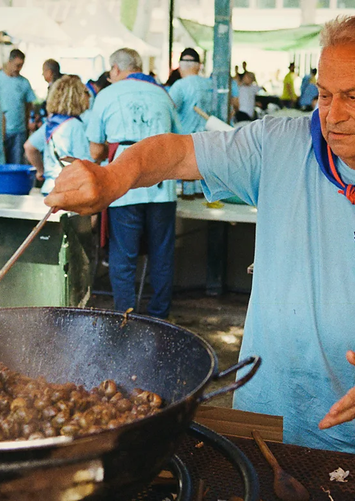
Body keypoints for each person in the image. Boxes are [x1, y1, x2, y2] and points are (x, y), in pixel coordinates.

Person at [43, 10, 355, 461]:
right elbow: (178, 152)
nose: (333, 115)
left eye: (352, 97)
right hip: (259, 423)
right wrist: (113, 178)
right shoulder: (280, 145)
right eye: (324, 95)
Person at [84, 47, 181, 319]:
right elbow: (181, 140)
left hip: (124, 187)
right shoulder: (163, 94)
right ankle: (160, 316)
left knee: (123, 257)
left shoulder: (107, 95)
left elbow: (93, 151)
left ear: (115, 69)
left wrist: (113, 151)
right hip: (162, 187)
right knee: (162, 255)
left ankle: (126, 317)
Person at [24, 75, 92, 194]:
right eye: (86, 92)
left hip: (49, 188)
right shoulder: (75, 126)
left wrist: (42, 171)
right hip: (68, 190)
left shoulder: (50, 124)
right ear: (77, 97)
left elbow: (29, 147)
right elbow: (84, 164)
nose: (89, 96)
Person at [0, 49, 37, 164]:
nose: (18, 68)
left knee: (16, 163)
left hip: (19, 131)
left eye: (21, 66)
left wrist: (27, 123)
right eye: (17, 65)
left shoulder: (24, 82)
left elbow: (29, 106)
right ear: (9, 62)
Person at [169, 48, 214, 134]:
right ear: (199, 66)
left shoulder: (179, 86)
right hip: (209, 138)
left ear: (179, 67)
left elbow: (169, 111)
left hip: (186, 140)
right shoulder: (211, 84)